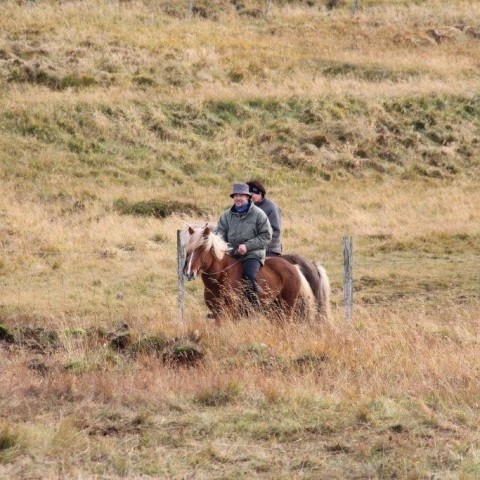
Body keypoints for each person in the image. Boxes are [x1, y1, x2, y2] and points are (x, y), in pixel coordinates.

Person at [216, 182, 272, 310]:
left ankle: (254, 307)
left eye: (241, 195)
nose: (237, 198)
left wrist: (247, 246)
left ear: (248, 197)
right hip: (231, 254)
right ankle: (219, 308)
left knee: (248, 275)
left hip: (252, 254)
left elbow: (266, 236)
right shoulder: (226, 216)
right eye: (235, 195)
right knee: (217, 275)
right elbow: (219, 233)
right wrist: (223, 244)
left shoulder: (258, 214)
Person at [246, 180, 282, 257]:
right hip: (250, 246)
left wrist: (260, 243)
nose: (249, 197)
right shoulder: (247, 206)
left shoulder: (272, 208)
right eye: (248, 195)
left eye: (252, 195)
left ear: (260, 194)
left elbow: (275, 231)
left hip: (269, 249)